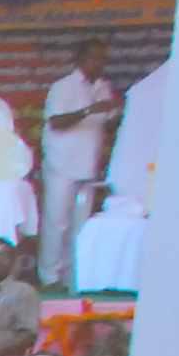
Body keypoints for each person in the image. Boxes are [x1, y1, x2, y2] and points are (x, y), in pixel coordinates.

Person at [39, 41, 122, 290]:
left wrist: (117, 113)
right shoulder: (63, 87)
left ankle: (73, 278)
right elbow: (56, 122)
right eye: (93, 58)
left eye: (102, 59)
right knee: (57, 223)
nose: (99, 63)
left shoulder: (103, 87)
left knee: (81, 227)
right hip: (61, 165)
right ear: (80, 60)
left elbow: (108, 123)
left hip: (88, 166)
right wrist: (88, 110)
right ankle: (50, 278)